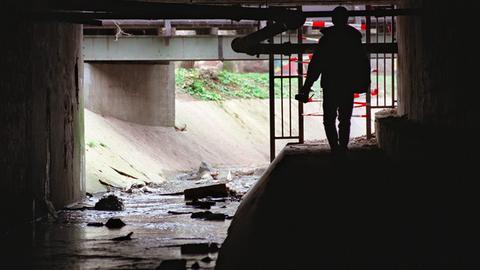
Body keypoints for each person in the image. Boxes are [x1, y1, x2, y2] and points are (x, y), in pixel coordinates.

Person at [296, 6, 369, 157]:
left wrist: (307, 86)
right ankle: (343, 147)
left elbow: (316, 64)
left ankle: (335, 148)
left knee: (329, 119)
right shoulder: (354, 39)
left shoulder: (327, 40)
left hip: (330, 84)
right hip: (348, 84)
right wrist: (364, 82)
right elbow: (363, 62)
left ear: (333, 19)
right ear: (347, 19)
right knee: (345, 118)